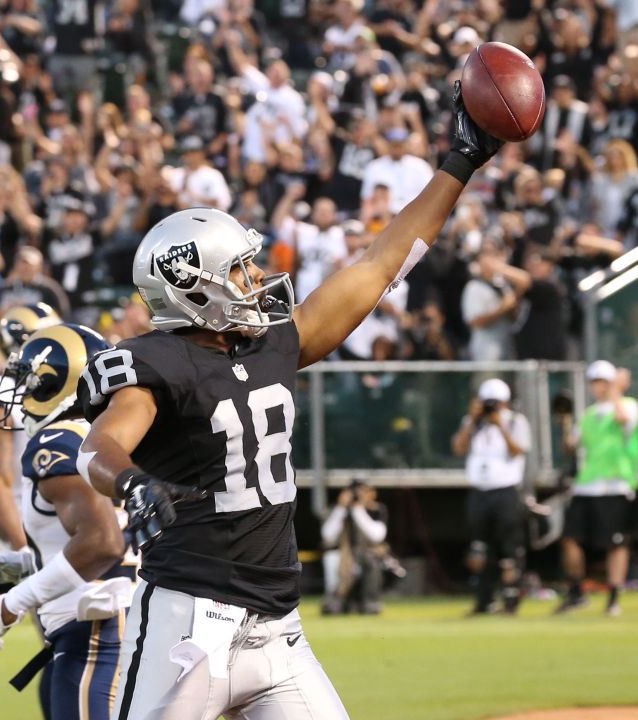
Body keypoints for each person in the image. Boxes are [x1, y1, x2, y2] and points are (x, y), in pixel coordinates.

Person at [75, 83, 503, 720]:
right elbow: (98, 447)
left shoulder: (275, 344)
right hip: (187, 626)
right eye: (240, 272)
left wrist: (461, 162)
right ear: (193, 288)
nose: (257, 281)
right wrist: (131, 484)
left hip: (279, 628)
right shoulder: (154, 364)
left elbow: (381, 265)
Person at [0, 323, 134, 720]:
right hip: (117, 625)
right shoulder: (105, 438)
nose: (21, 393)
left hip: (95, 635)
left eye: (30, 380)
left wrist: (11, 604)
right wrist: (26, 562)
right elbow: (111, 531)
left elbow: (103, 543)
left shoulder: (57, 442)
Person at [0, 306, 61, 551]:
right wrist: (24, 550)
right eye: (50, 341)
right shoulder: (0, 393)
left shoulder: (72, 391)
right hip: (35, 520)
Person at [557, 361, 638, 616]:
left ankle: (614, 597)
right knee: (569, 539)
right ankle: (576, 591)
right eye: (594, 382)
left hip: (615, 483)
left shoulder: (628, 404)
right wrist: (564, 422)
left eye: (602, 381)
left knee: (615, 544)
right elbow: (571, 445)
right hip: (587, 485)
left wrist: (616, 390)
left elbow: (623, 419)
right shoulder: (589, 414)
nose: (598, 387)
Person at [451, 378, 532, 615]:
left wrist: (500, 426)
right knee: (479, 549)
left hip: (505, 490)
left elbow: (518, 450)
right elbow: (458, 448)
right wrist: (473, 420)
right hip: (479, 491)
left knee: (509, 550)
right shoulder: (473, 423)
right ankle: (483, 599)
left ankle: (511, 599)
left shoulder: (516, 421)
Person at [320, 481, 390, 616]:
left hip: (366, 555)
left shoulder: (376, 509)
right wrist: (341, 509)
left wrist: (358, 510)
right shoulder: (336, 509)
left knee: (371, 561)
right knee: (332, 558)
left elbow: (377, 536)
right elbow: (327, 536)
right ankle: (334, 602)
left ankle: (370, 602)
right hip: (342, 555)